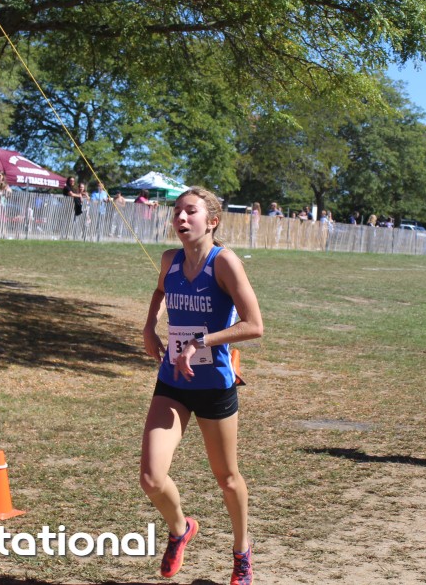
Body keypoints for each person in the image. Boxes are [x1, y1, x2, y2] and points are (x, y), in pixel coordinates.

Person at [141, 187, 262, 584]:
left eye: (190, 211)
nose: (180, 217)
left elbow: (254, 325)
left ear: (212, 221)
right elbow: (161, 290)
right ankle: (181, 529)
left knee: (227, 478)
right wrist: (149, 326)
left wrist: (201, 342)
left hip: (214, 385)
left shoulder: (224, 262)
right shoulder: (170, 260)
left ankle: (241, 553)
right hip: (173, 381)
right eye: (177, 211)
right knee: (151, 478)